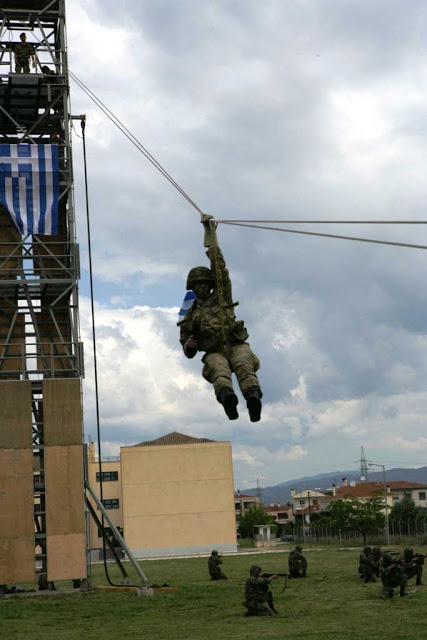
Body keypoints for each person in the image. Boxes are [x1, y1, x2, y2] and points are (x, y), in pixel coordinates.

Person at [178, 214, 263, 422]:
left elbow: (219, 267)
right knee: (219, 370)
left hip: (236, 345)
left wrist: (210, 235)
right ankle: (228, 401)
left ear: (210, 285)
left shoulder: (222, 297)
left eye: (205, 284)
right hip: (214, 351)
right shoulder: (190, 316)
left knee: (244, 365)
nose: (201, 288)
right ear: (192, 288)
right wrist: (190, 344)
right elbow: (187, 350)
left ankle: (253, 400)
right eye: (197, 285)